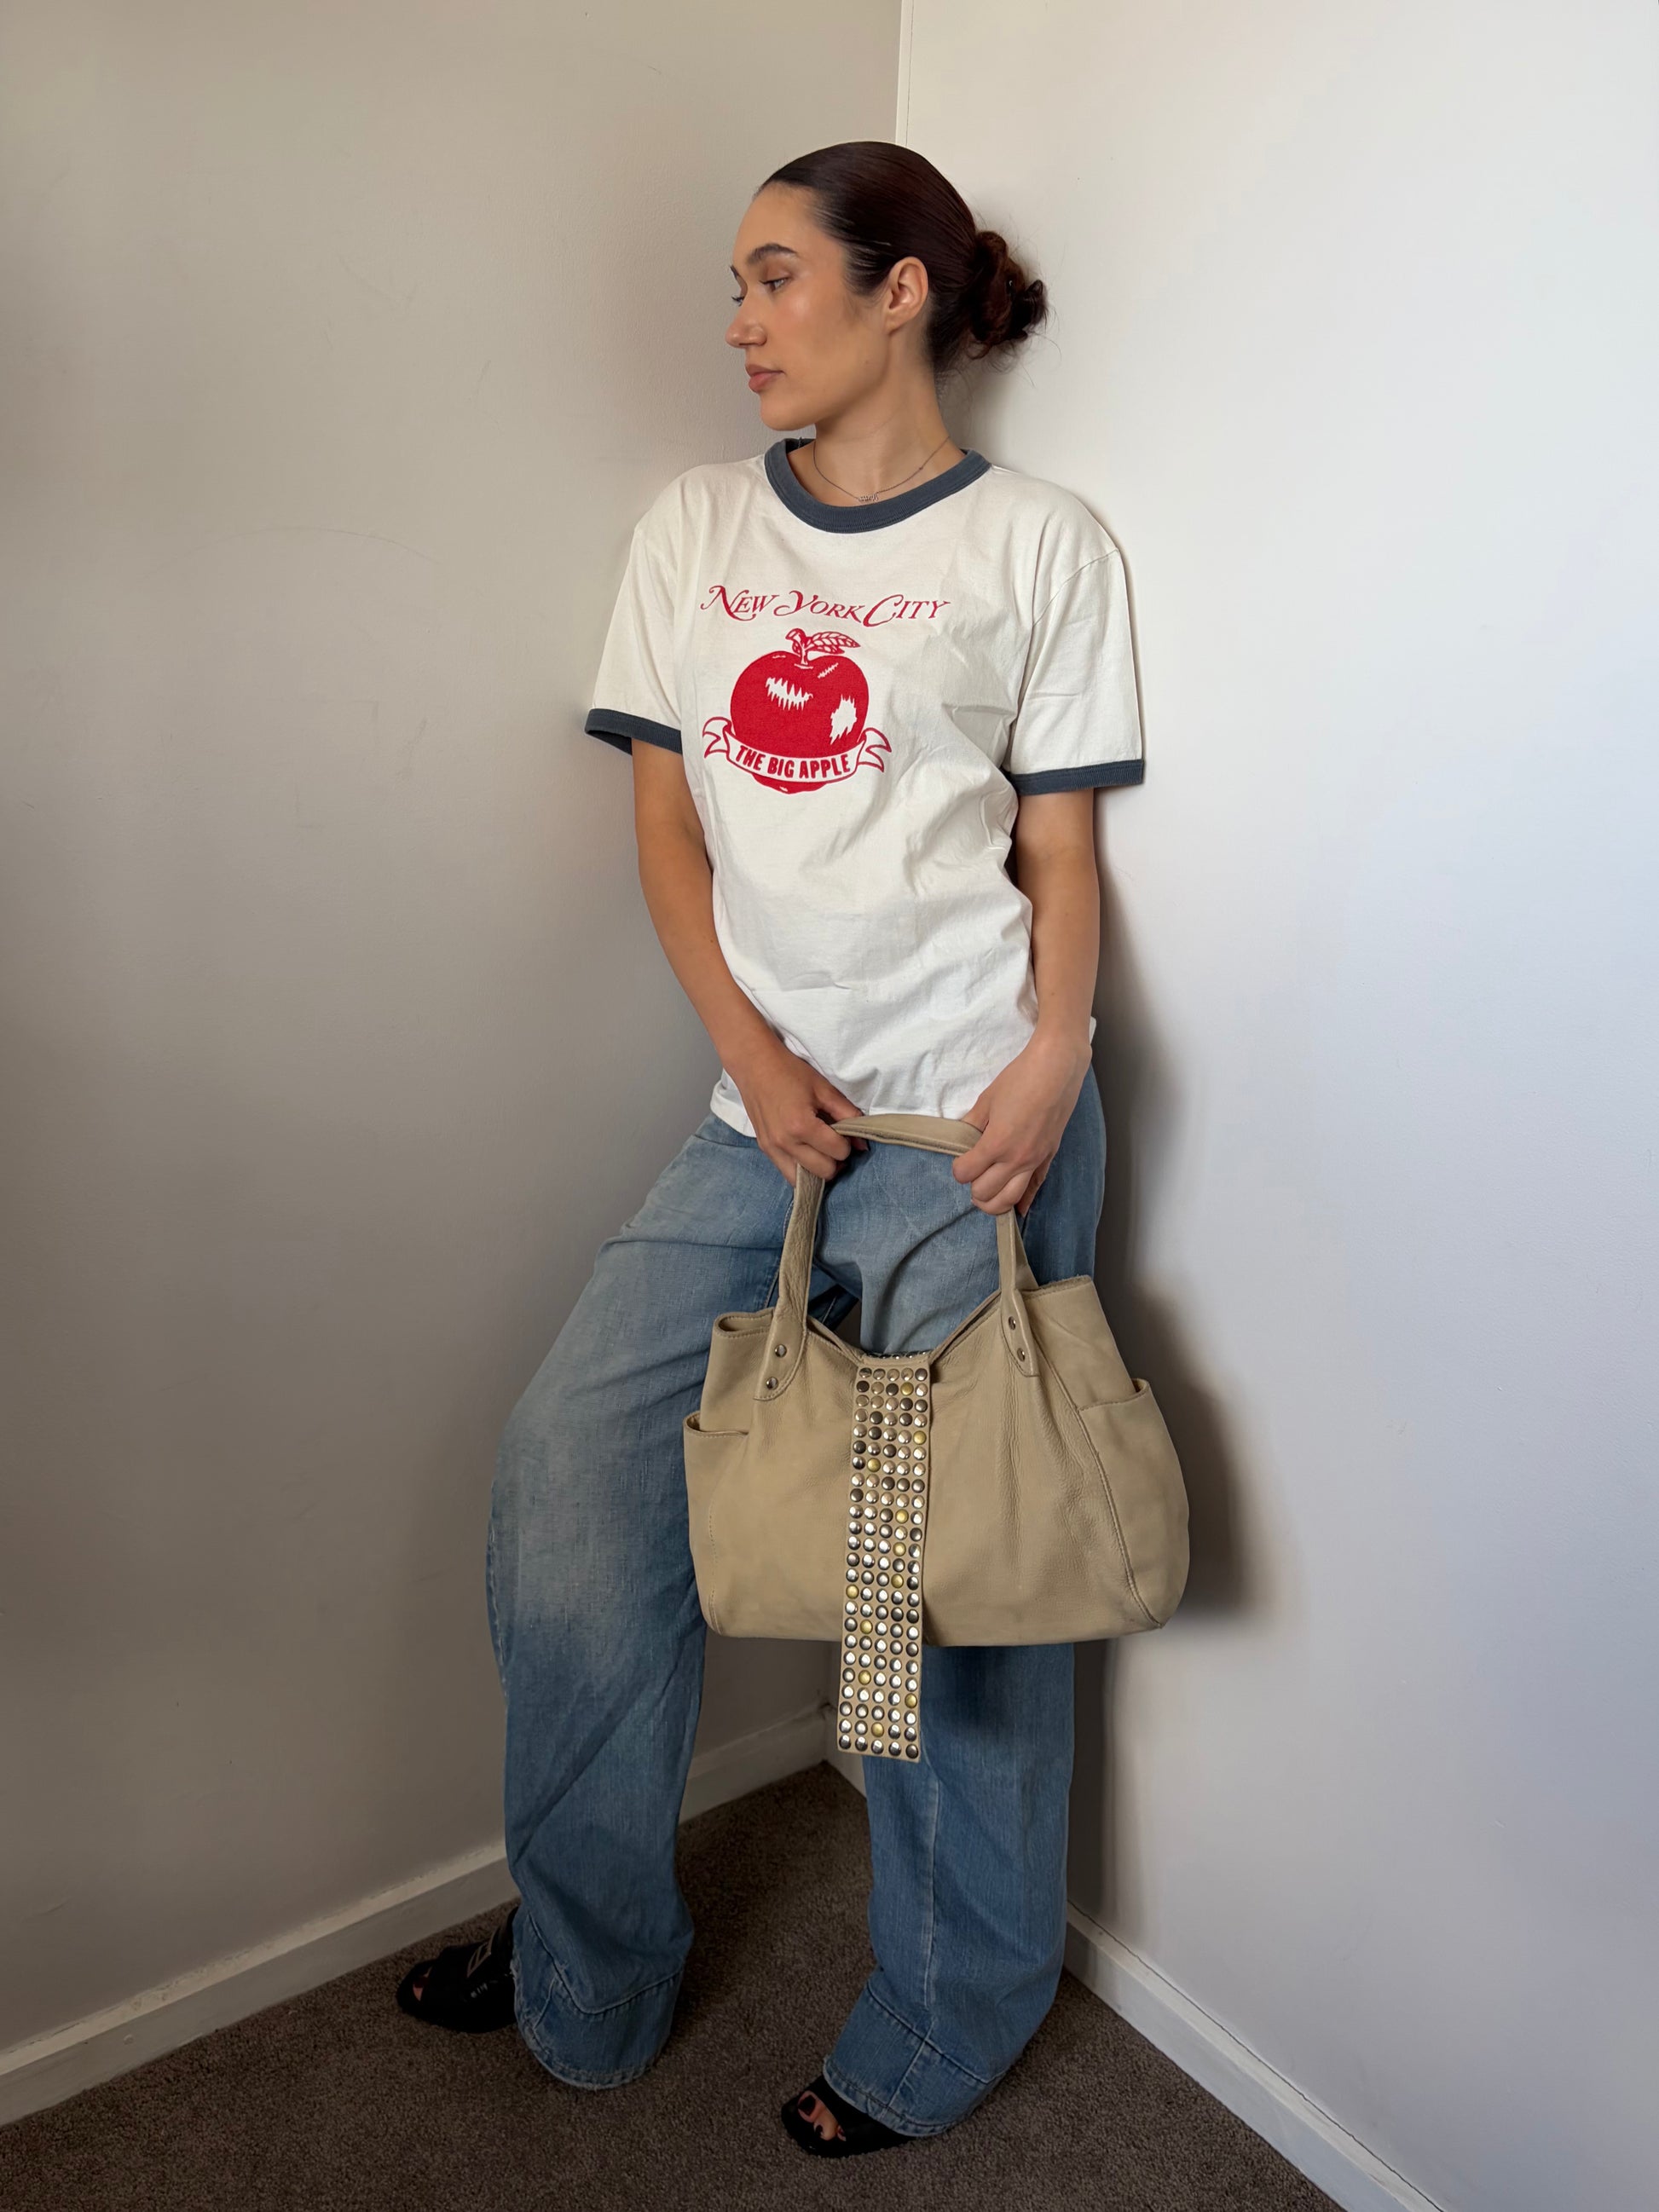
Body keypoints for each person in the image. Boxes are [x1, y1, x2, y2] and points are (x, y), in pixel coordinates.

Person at [395, 140, 1143, 2159]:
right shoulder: (699, 526)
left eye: (771, 275)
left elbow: (1059, 847)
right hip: (763, 1121)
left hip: (967, 1135)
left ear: (901, 291)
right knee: (570, 1498)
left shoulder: (1038, 543)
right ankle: (589, 1962)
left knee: (917, 1608)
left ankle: (948, 2005)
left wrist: (1055, 1053)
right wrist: (747, 1051)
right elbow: (665, 823)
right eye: (732, 285)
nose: (736, 319)